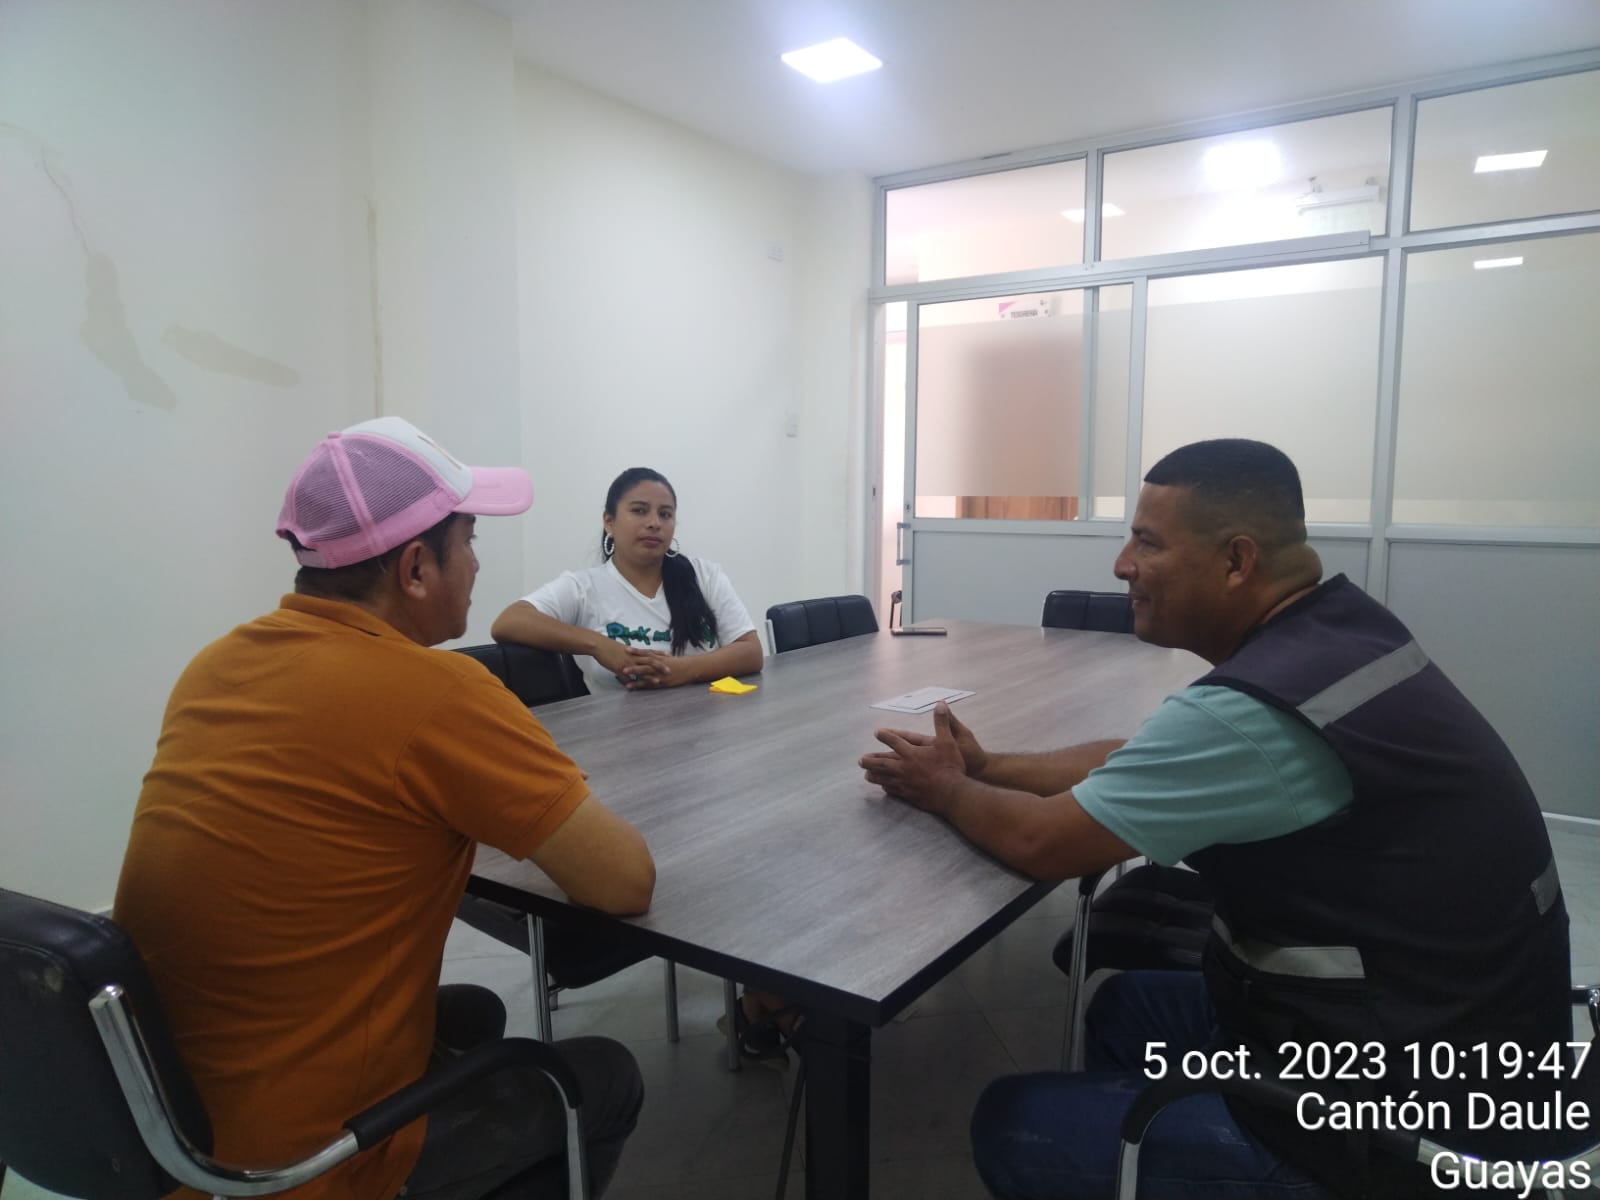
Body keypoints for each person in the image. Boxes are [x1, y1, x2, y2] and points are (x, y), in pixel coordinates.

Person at [860, 439, 1572, 1200]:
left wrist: (945, 789)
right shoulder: (1339, 634)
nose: (1122, 565)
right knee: (1126, 1008)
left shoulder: (1255, 714)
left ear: (1236, 560)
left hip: (1406, 1121)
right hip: (1464, 1031)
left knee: (1012, 1122)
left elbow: (1043, 844)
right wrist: (988, 767)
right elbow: (1139, 761)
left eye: (1147, 542)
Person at [113, 416, 656, 1200]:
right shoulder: (439, 694)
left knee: (469, 1013)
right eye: (469, 540)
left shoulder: (216, 665)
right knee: (604, 1076)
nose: (478, 562)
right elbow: (624, 880)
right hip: (292, 1167)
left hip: (160, 1127)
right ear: (416, 569)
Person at [492, 466, 763, 692]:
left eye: (665, 514)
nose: (654, 523)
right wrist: (599, 646)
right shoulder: (585, 588)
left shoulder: (705, 576)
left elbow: (750, 652)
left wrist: (682, 671)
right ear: (609, 522)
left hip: (708, 726)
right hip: (619, 733)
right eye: (639, 510)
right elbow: (509, 621)